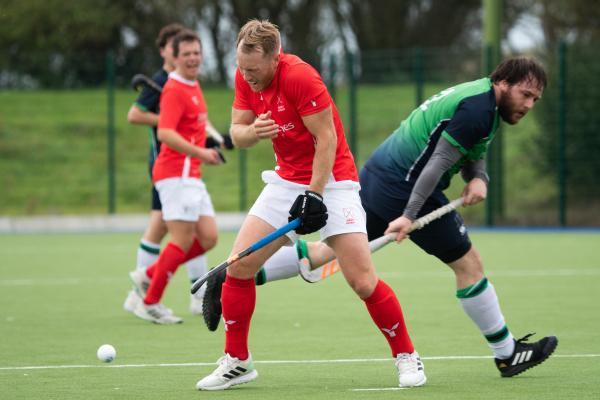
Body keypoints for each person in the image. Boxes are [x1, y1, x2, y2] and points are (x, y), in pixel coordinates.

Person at [204, 56, 559, 379]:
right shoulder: (480, 109)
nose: (528, 104)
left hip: (377, 176)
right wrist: (408, 215)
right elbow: (436, 162)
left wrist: (478, 177)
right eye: (525, 94)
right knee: (469, 265)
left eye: (534, 100)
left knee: (333, 253)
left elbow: (472, 150)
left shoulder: (480, 98)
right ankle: (506, 353)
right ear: (503, 83)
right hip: (406, 188)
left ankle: (241, 273)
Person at [195, 19, 425, 391]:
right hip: (285, 180)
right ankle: (238, 362)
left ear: (274, 57)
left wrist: (315, 195)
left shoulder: (300, 77)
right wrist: (253, 132)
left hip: (333, 181)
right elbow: (237, 131)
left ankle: (407, 355)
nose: (247, 77)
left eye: (254, 70)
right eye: (242, 68)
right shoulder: (245, 76)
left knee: (361, 280)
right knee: (239, 267)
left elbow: (326, 139)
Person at [124, 23, 228, 316]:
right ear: (175, 56)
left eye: (197, 52)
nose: (193, 57)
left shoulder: (194, 85)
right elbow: (165, 133)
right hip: (174, 172)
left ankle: (149, 274)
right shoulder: (173, 88)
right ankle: (150, 301)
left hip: (191, 173)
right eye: (187, 53)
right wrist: (201, 153)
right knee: (179, 238)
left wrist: (211, 148)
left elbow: (193, 128)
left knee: (208, 237)